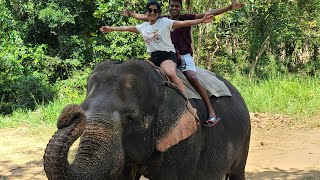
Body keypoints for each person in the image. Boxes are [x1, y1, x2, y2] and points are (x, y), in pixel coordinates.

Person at [122, 0, 245, 127]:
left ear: (180, 8)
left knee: (192, 77)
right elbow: (145, 16)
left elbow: (206, 13)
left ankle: (211, 111)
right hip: (165, 54)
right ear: (168, 7)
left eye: (177, 6)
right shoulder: (162, 19)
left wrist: (229, 7)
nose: (174, 8)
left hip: (184, 55)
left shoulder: (185, 18)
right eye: (172, 6)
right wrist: (130, 14)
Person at [100, 0, 213, 99]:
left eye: (155, 11)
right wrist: (110, 29)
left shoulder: (165, 22)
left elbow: (184, 23)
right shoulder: (143, 27)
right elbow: (127, 28)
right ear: (146, 12)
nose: (152, 13)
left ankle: (185, 101)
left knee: (170, 73)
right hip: (154, 57)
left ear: (158, 13)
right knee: (140, 71)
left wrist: (200, 21)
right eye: (150, 10)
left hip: (167, 55)